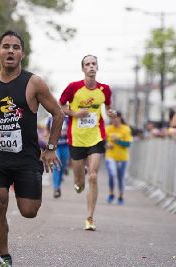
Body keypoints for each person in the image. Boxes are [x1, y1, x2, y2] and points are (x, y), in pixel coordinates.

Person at [0, 30, 64, 267]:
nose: (10, 50)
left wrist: (50, 148)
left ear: (22, 54)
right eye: (6, 46)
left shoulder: (34, 82)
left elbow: (58, 114)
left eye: (15, 47)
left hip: (26, 157)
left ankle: (22, 207)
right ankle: (4, 255)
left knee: (29, 210)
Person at [59, 54, 117, 231]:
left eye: (94, 64)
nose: (91, 66)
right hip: (76, 138)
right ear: (83, 68)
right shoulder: (73, 87)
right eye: (87, 64)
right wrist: (75, 114)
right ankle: (79, 182)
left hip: (96, 137)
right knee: (80, 180)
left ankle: (90, 217)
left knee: (93, 175)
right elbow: (61, 106)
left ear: (97, 67)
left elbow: (108, 107)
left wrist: (111, 113)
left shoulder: (105, 89)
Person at [105, 112, 132, 205]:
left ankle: (121, 196)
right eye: (112, 118)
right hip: (110, 156)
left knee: (121, 178)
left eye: (116, 118)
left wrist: (118, 140)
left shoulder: (126, 129)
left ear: (120, 118)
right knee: (112, 174)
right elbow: (102, 142)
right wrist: (106, 145)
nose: (114, 120)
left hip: (123, 158)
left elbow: (128, 144)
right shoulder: (108, 129)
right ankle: (111, 193)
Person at [46, 115, 70, 198]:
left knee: (62, 167)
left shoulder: (67, 119)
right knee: (56, 166)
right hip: (55, 146)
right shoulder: (50, 119)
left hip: (65, 146)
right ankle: (56, 188)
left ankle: (58, 185)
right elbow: (47, 131)